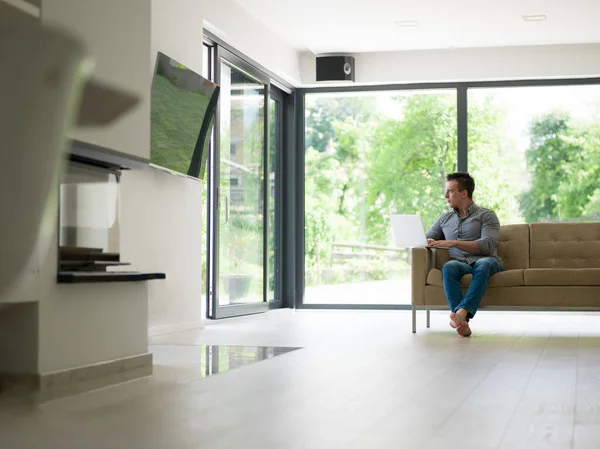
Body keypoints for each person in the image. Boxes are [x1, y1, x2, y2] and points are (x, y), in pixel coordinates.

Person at [426, 172, 503, 337]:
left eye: (450, 191)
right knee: (449, 266)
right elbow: (427, 238)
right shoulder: (444, 219)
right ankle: (462, 322)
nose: (446, 195)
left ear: (464, 193)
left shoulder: (486, 215)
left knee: (484, 264)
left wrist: (454, 242)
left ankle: (462, 313)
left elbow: (487, 246)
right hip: (461, 265)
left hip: (488, 262)